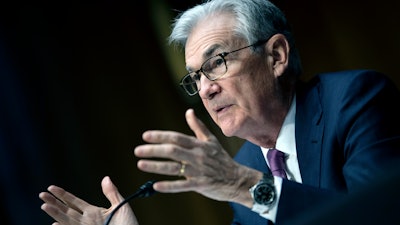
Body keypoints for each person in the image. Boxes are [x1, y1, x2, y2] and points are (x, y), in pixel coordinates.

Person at [39, 0, 400, 224]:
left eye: (217, 62)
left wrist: (241, 185)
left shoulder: (355, 100)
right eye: (196, 76)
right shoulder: (250, 164)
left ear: (276, 56)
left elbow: (379, 216)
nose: (206, 88)